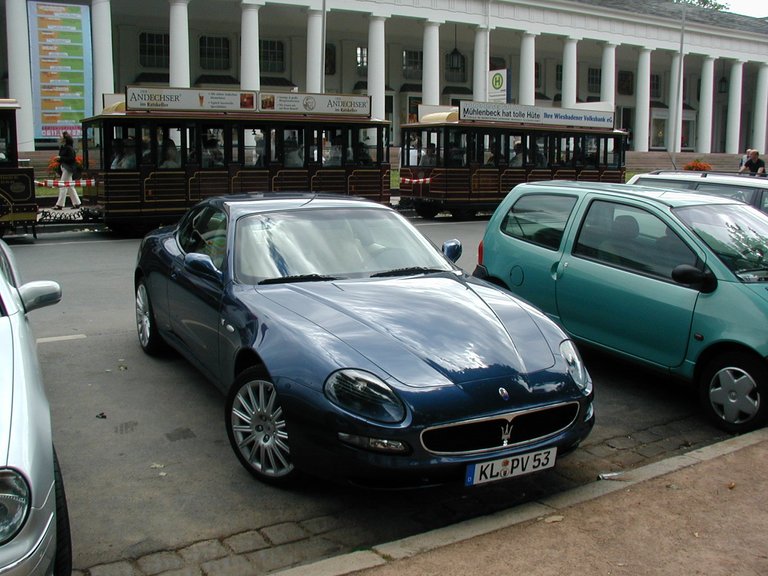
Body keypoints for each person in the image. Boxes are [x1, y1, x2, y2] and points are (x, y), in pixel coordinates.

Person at [53, 131, 81, 210]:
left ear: (65, 138)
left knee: (62, 185)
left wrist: (60, 158)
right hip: (64, 168)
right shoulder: (64, 147)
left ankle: (59, 204)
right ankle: (77, 203)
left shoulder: (69, 148)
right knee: (70, 186)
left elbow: (72, 158)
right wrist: (59, 159)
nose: (59, 138)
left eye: (61, 136)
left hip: (68, 169)